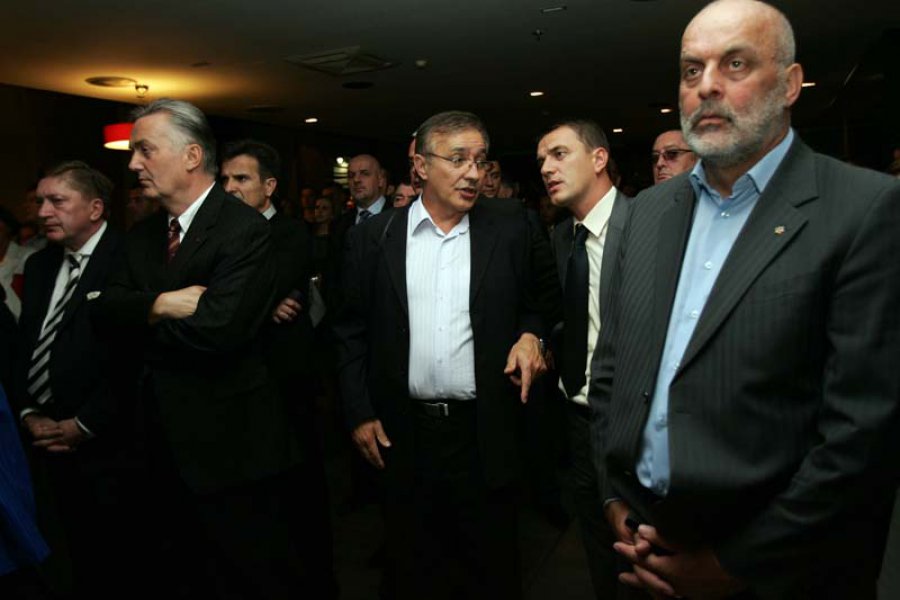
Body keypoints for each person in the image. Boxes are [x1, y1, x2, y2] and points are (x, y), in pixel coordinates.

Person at [591, 1, 900, 598]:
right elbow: (611, 371)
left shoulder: (863, 209)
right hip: (641, 544)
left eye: (735, 64)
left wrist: (735, 565)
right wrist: (611, 498)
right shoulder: (647, 212)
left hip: (777, 567)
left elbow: (863, 436)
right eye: (691, 70)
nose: (706, 86)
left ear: (789, 84)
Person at [96, 99, 306, 599]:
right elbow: (102, 314)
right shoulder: (143, 235)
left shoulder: (245, 230)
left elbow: (218, 331)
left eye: (145, 150)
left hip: (229, 449)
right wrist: (163, 304)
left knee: (241, 577)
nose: (133, 164)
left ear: (192, 156)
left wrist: (137, 316)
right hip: (152, 442)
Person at [334, 110, 549, 600]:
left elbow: (540, 306)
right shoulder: (374, 237)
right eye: (458, 159)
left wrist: (532, 337)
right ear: (421, 166)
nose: (473, 172)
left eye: (480, 160)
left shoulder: (512, 226)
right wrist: (359, 412)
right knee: (414, 566)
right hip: (403, 432)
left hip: (485, 430)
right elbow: (349, 330)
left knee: (491, 567)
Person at [220, 139, 336, 597]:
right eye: (225, 179)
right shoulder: (216, 237)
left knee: (300, 493)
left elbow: (251, 290)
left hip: (287, 386)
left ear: (268, 186)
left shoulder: (289, 233)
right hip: (239, 385)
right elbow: (215, 294)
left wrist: (243, 302)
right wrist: (261, 304)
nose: (230, 188)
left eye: (241, 179)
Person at [12, 160, 133, 596]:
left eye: (57, 201)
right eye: (41, 201)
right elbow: (25, 347)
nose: (43, 211)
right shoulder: (40, 265)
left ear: (95, 208)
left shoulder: (130, 260)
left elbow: (133, 359)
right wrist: (28, 411)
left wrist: (84, 424)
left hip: (108, 446)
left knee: (111, 560)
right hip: (42, 440)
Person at [537, 119, 629, 599]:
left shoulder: (643, 225)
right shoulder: (561, 236)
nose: (546, 169)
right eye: (541, 161)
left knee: (641, 544)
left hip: (631, 414)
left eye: (559, 154)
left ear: (598, 159)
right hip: (577, 413)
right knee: (596, 540)